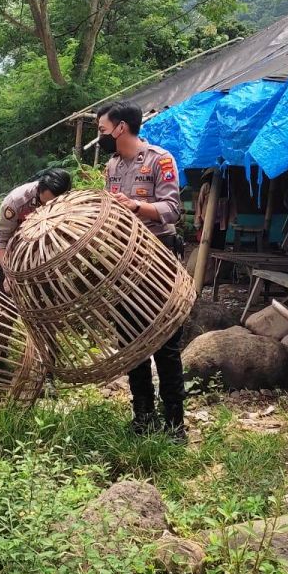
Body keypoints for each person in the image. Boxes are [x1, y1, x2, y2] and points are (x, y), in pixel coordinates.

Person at [96, 100, 186, 440]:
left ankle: (175, 425)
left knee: (165, 342)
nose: (101, 135)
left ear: (121, 128)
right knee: (131, 341)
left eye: (103, 129)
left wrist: (135, 205)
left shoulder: (160, 160)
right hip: (124, 261)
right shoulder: (112, 166)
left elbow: (172, 209)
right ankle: (143, 417)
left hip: (158, 257)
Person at [0, 167, 73, 287]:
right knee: (5, 292)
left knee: (50, 290)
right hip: (14, 251)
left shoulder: (68, 198)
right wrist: (9, 273)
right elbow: (0, 241)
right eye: (44, 203)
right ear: (39, 189)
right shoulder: (16, 202)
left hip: (47, 252)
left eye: (53, 204)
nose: (47, 207)